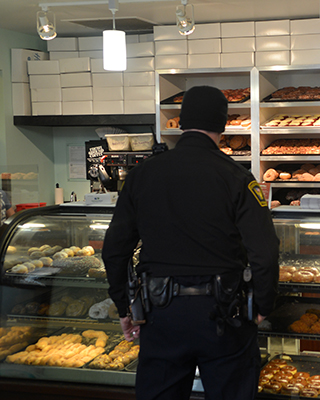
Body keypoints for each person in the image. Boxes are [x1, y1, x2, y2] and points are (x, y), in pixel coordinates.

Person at [102, 85, 280, 400]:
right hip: (225, 314)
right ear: (223, 124)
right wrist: (263, 306)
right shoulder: (238, 178)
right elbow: (264, 253)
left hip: (161, 315)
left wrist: (124, 306)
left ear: (182, 122)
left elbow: (115, 250)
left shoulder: (142, 176)